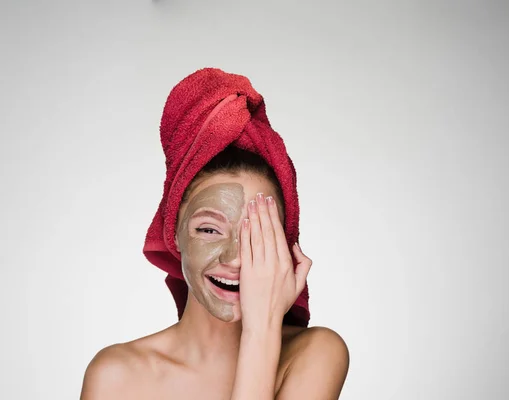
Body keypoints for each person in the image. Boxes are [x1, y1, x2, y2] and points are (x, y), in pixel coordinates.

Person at [80, 68, 349, 399]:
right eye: (209, 229)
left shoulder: (316, 353)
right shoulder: (116, 377)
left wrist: (261, 332)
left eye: (257, 235)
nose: (235, 257)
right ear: (173, 233)